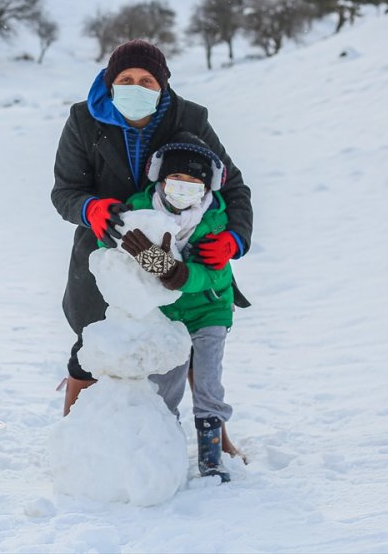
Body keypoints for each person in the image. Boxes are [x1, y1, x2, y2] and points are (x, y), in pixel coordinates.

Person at [51, 39, 253, 424]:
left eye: (147, 80)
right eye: (126, 79)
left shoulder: (188, 119)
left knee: (186, 341)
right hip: (106, 249)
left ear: (163, 85)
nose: (136, 87)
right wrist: (90, 208)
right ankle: (75, 433)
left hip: (182, 251)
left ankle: (214, 433)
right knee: (93, 341)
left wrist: (234, 239)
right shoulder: (84, 120)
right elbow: (65, 191)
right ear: (110, 83)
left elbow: (233, 187)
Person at [113, 132, 236, 481]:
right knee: (165, 386)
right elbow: (113, 250)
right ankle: (167, 450)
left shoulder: (214, 220)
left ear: (207, 186)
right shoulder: (138, 211)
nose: (184, 187)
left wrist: (178, 274)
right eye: (176, 178)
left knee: (208, 384)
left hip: (209, 309)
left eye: (194, 182)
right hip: (165, 316)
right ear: (160, 177)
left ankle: (211, 454)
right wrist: (134, 253)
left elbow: (215, 275)